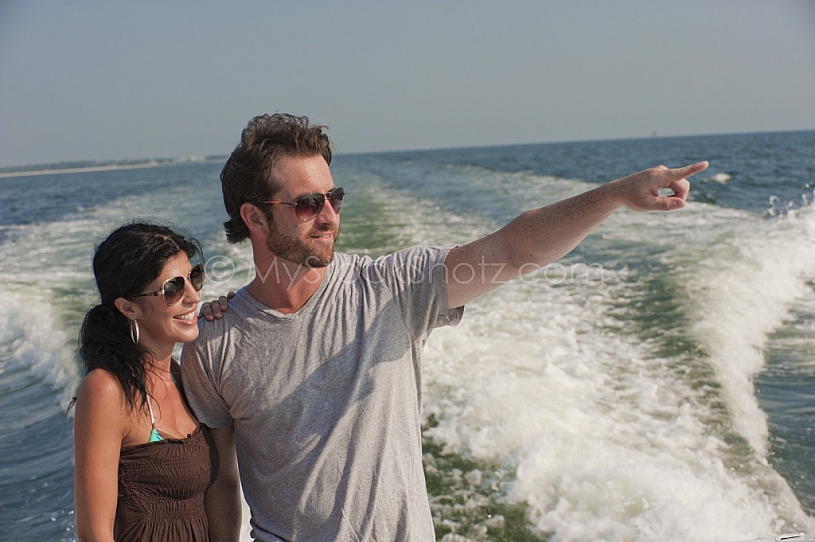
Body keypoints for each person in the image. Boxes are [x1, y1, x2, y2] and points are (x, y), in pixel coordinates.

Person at [181, 113, 709, 541]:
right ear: (253, 217)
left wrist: (615, 196)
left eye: (333, 198)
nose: (329, 216)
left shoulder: (390, 288)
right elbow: (221, 480)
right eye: (307, 203)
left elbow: (511, 249)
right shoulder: (213, 342)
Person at [72, 222, 241, 542]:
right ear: (128, 307)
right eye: (173, 288)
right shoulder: (106, 390)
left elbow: (224, 483)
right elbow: (94, 534)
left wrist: (238, 318)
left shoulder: (192, 375)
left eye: (194, 278)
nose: (193, 296)